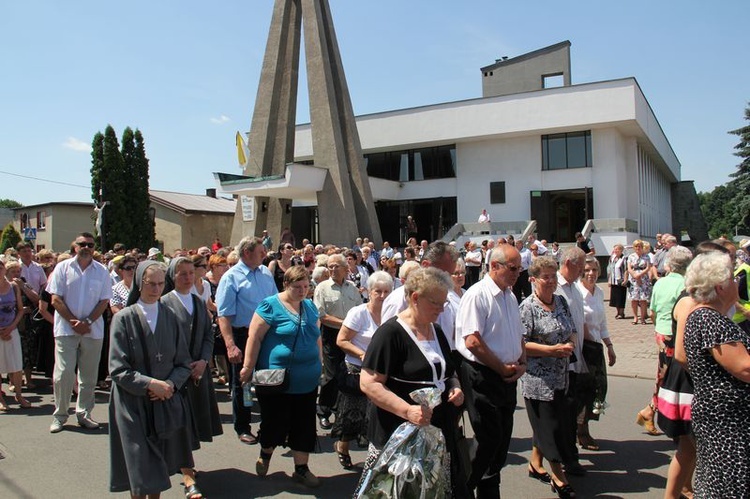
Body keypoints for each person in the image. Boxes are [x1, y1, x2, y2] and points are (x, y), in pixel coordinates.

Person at [358, 267, 466, 496]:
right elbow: (369, 383)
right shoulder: (390, 333)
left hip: (438, 431)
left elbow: (448, 371)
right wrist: (407, 410)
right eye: (436, 303)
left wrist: (455, 386)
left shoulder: (436, 330)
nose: (441, 309)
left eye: (443, 303)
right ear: (415, 298)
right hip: (399, 434)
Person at [108, 260, 196, 498]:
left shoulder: (170, 316)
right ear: (139, 283)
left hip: (164, 398)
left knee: (159, 465)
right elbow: (117, 369)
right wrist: (150, 384)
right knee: (139, 467)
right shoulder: (124, 319)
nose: (156, 289)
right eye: (151, 284)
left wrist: (169, 384)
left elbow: (183, 362)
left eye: (160, 284)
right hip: (132, 402)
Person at [239, 266, 322, 488]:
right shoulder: (270, 306)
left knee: (304, 424)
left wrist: (320, 364)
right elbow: (254, 338)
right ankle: (266, 452)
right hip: (277, 379)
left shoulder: (311, 307)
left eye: (306, 286)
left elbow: (317, 338)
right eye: (297, 287)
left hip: (307, 380)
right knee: (275, 422)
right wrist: (248, 367)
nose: (302, 291)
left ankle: (301, 469)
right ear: (286, 284)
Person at [456, 243, 526, 498]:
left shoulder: (510, 294)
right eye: (513, 268)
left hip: (508, 376)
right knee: (489, 437)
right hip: (484, 375)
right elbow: (472, 341)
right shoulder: (478, 295)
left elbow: (518, 335)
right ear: (494, 266)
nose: (518, 273)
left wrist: (522, 362)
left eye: (520, 268)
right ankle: (463, 487)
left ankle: (488, 486)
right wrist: (501, 367)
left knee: (501, 439)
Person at [682, 251, 750, 498]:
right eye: (733, 279)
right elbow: (745, 368)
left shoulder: (708, 316)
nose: (737, 283)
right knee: (728, 485)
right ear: (720, 287)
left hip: (723, 419)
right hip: (727, 425)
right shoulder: (709, 319)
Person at [161, 257, 222, 497]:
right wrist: (186, 367)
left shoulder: (198, 302)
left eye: (190, 273)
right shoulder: (165, 303)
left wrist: (204, 361)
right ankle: (187, 474)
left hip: (198, 371)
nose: (187, 278)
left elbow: (208, 334)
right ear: (172, 277)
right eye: (182, 274)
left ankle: (184, 464)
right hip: (176, 374)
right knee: (180, 423)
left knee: (193, 420)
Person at [519, 256, 577, 498]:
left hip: (561, 375)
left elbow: (572, 329)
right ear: (533, 279)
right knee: (550, 428)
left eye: (553, 276)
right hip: (538, 380)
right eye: (546, 277)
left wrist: (570, 345)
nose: (551, 281)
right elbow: (521, 344)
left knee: (553, 423)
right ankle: (558, 476)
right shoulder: (527, 307)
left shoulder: (561, 302)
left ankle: (535, 462)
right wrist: (551, 350)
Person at [48, 232, 112, 433]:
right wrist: (74, 322)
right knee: (64, 373)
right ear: (75, 246)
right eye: (82, 244)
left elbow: (104, 301)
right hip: (66, 329)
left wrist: (87, 322)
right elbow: (55, 299)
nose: (86, 247)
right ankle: (60, 415)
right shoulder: (62, 268)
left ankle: (84, 413)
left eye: (90, 245)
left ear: (94, 248)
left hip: (92, 330)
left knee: (89, 376)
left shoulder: (102, 271)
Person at [215, 236, 276, 445]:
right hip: (242, 335)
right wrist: (230, 345)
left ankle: (270, 425)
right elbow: (224, 315)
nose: (265, 255)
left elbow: (275, 303)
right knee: (244, 383)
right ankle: (243, 426)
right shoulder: (231, 278)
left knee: (269, 380)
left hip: (266, 335)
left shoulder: (265, 273)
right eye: (260, 252)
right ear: (247, 253)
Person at [332, 271, 393, 469]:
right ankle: (342, 446)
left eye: (386, 291)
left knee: (375, 416)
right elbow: (341, 340)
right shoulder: (358, 313)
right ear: (368, 291)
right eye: (378, 291)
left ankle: (374, 457)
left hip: (381, 373)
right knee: (351, 415)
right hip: (357, 371)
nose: (382, 296)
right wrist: (362, 355)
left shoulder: (392, 314)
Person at [635, 246, 693, 437]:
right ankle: (653, 412)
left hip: (661, 332)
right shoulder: (686, 285)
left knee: (664, 374)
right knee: (669, 377)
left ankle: (650, 411)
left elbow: (653, 312)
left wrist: (659, 328)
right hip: (676, 335)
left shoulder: (660, 283)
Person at [313, 253, 363, 430]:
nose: (333, 269)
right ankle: (323, 411)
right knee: (332, 375)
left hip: (351, 337)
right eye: (330, 266)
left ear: (345, 269)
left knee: (349, 374)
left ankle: (342, 412)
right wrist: (346, 323)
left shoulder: (352, 289)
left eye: (336, 266)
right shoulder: (322, 288)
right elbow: (322, 315)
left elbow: (360, 310)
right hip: (331, 335)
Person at [576, 256, 617, 451]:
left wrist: (609, 345)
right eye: (587, 270)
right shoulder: (576, 293)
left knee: (598, 389)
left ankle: (583, 427)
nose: (591, 273)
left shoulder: (599, 292)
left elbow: (601, 323)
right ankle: (580, 432)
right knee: (583, 391)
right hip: (582, 348)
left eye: (594, 270)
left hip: (596, 347)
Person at [554, 246, 588, 476]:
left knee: (572, 409)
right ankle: (568, 458)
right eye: (581, 267)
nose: (584, 272)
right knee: (563, 414)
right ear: (568, 263)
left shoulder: (575, 287)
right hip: (562, 361)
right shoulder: (555, 287)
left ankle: (566, 454)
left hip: (577, 360)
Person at [0, 256, 31, 410]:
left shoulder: (13, 287)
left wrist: (11, 327)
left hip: (12, 330)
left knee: (17, 365)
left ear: (4, 270)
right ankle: (1, 400)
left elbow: (20, 310)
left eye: (0, 268)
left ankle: (19, 395)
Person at [628, 240, 652, 325]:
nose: (638, 248)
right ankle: (635, 317)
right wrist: (635, 275)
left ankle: (642, 318)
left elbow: (648, 267)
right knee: (634, 299)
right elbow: (629, 268)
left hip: (643, 278)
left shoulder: (646, 256)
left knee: (643, 299)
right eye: (636, 246)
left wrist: (639, 275)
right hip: (633, 279)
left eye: (640, 246)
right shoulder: (631, 256)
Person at [607, 244, 628, 319]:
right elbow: (609, 269)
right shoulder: (612, 258)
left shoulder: (624, 258)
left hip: (620, 281)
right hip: (613, 281)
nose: (616, 251)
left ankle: (621, 313)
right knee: (615, 298)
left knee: (621, 297)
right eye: (615, 249)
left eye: (617, 249)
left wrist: (625, 280)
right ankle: (618, 312)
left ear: (621, 250)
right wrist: (609, 280)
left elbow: (626, 270)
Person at [512, 239, 533, 303]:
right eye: (515, 243)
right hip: (516, 272)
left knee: (527, 291)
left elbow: (530, 263)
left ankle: (529, 304)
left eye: (517, 243)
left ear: (521, 244)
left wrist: (530, 275)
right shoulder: (513, 251)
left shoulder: (527, 251)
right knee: (516, 291)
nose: (516, 244)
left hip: (524, 273)